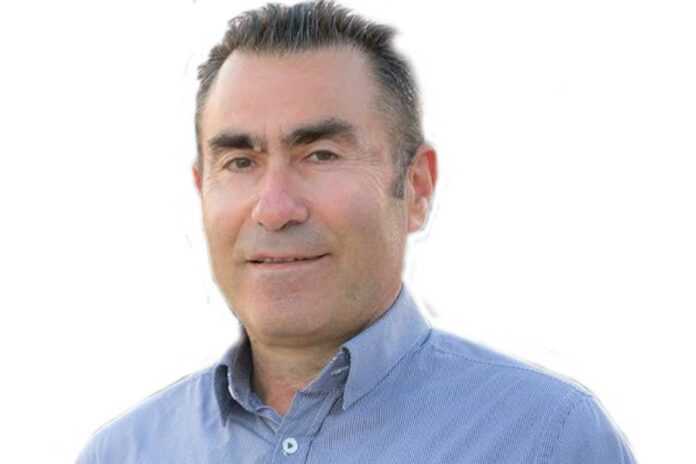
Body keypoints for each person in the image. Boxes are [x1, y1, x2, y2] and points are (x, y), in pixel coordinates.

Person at [77, 1, 636, 462]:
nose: (274, 209)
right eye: (240, 162)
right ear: (202, 190)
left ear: (416, 187)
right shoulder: (125, 452)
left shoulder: (548, 440)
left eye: (320, 154)